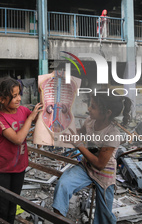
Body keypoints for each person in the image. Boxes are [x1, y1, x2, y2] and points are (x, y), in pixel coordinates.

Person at [52, 92, 132, 223]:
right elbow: (81, 132)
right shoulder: (90, 121)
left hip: (104, 174)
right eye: (90, 105)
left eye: (93, 107)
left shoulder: (112, 133)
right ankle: (58, 218)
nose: (89, 108)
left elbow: (100, 164)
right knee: (63, 185)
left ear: (107, 112)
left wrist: (78, 144)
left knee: (104, 215)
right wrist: (66, 131)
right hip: (86, 167)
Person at [0, 77, 42, 223]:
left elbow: (38, 121)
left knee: (13, 205)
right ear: (2, 99)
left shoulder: (23, 110)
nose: (19, 98)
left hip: (19, 166)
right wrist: (30, 118)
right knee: (2, 208)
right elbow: (18, 139)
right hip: (2, 169)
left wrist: (43, 105)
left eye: (19, 94)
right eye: (14, 96)